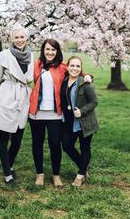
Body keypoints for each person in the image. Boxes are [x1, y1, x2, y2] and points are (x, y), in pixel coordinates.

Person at [29, 39, 92, 186]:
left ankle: (56, 175)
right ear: (43, 50)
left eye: (53, 50)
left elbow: (78, 72)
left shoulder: (62, 67)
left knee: (55, 144)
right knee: (37, 144)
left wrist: (88, 76)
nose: (50, 52)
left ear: (57, 52)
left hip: (55, 113)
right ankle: (40, 174)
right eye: (47, 49)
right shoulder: (36, 65)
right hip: (36, 112)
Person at [0, 25, 33, 185]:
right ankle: (7, 172)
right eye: (16, 37)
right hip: (7, 96)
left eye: (22, 37)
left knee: (18, 138)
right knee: (4, 137)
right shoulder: (4, 55)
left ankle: (10, 163)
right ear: (12, 39)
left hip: (23, 98)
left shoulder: (31, 56)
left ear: (26, 38)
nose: (20, 40)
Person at [60, 56, 99, 186]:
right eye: (72, 65)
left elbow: (94, 101)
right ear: (67, 66)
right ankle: (83, 166)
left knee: (85, 147)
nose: (74, 68)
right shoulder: (64, 81)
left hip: (84, 122)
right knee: (66, 145)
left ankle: (80, 174)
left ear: (81, 68)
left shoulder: (85, 84)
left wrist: (82, 111)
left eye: (78, 66)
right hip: (68, 122)